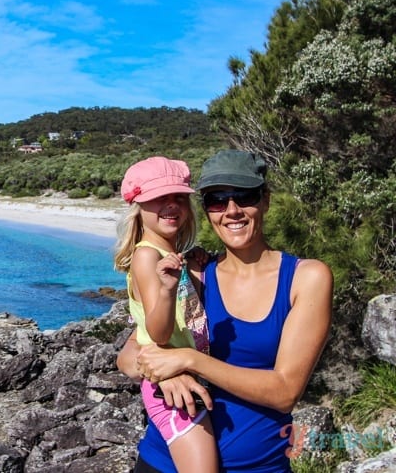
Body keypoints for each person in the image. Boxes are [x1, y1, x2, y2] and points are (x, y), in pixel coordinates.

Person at [117, 149, 333, 473]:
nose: (232, 211)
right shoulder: (196, 275)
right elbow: (129, 354)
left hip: (260, 466)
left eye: (245, 196)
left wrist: (188, 360)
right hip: (162, 461)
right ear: (206, 210)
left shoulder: (305, 278)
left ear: (265, 200)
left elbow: (286, 391)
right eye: (217, 200)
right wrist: (164, 372)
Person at [115, 156, 218, 473]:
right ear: (138, 207)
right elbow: (158, 333)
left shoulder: (169, 256)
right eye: (159, 198)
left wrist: (192, 267)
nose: (171, 205)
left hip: (183, 375)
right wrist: (166, 289)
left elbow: (186, 317)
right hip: (168, 382)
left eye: (178, 198)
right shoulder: (146, 256)